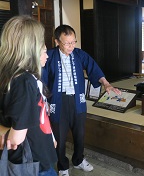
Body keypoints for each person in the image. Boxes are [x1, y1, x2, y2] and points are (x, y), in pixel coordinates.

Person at [42, 24, 120, 176]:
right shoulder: (49, 56)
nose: (71, 46)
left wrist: (106, 84)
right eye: (67, 43)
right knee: (59, 136)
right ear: (57, 41)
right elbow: (41, 80)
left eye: (73, 42)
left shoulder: (79, 54)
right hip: (57, 101)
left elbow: (93, 68)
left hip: (78, 100)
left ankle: (78, 160)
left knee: (80, 134)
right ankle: (63, 166)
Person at [0, 15, 58, 175]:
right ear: (31, 47)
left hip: (34, 155)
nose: (46, 54)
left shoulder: (10, 75)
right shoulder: (24, 81)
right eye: (42, 47)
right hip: (32, 162)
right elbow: (15, 139)